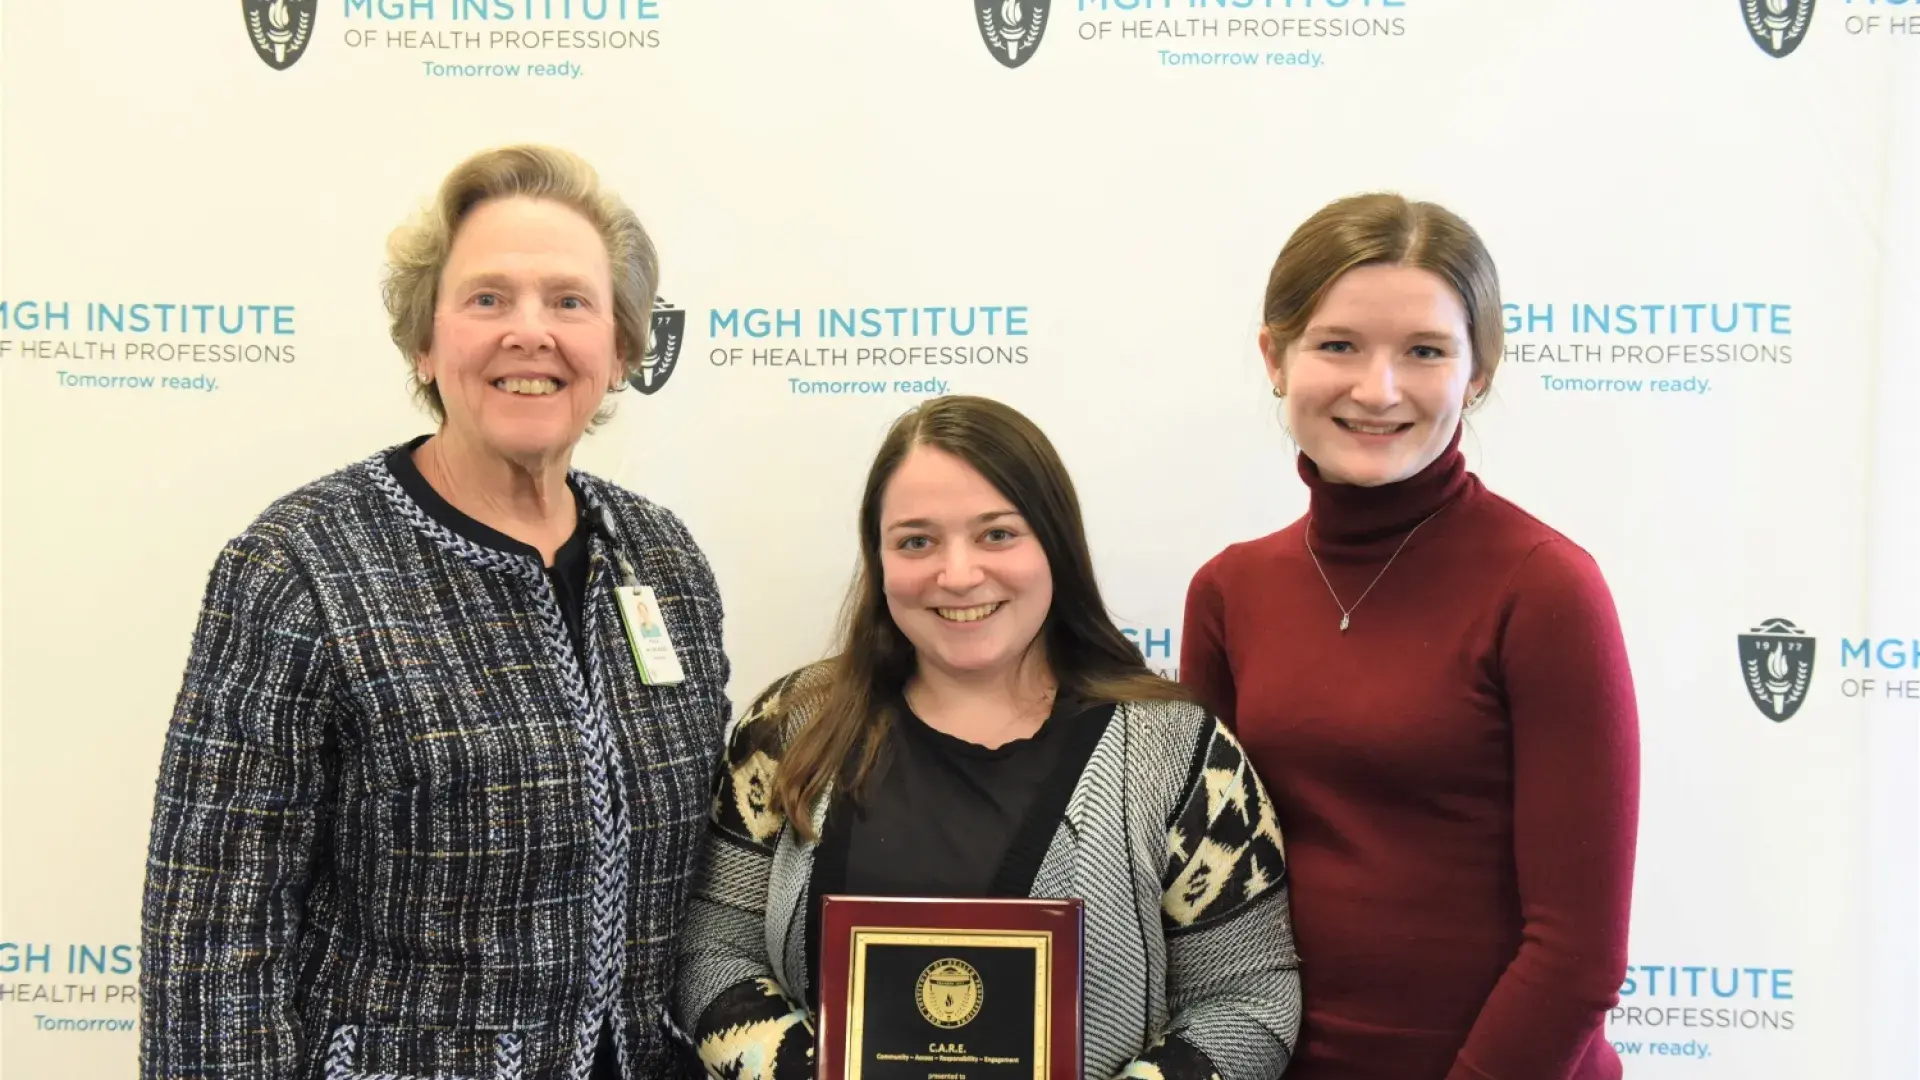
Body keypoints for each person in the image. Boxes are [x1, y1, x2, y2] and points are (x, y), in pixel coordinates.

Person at [140, 145, 732, 1080]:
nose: (529, 333)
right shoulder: (302, 564)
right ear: (425, 342)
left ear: (620, 350)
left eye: (570, 301)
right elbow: (213, 934)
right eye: (487, 299)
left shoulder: (662, 558)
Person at [674, 395, 1302, 1080]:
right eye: (917, 541)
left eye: (997, 534)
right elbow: (715, 949)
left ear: (1054, 543)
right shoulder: (791, 725)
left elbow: (1248, 1000)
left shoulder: (1180, 755)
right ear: (879, 559)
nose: (959, 573)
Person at [1181, 193, 1640, 1080]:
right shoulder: (1230, 591)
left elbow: (1578, 956)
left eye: (1424, 352)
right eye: (1339, 344)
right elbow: (1202, 897)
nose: (1377, 389)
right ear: (1276, 357)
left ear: (1477, 373)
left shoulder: (1545, 586)